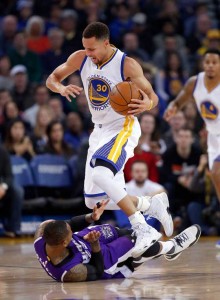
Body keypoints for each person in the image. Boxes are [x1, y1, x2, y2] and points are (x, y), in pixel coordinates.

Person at [46, 21, 173, 257]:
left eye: (92, 49)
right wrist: (60, 88)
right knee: (94, 201)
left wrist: (148, 103)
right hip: (99, 131)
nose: (88, 53)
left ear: (106, 43)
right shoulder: (81, 57)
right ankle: (149, 205)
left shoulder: (127, 64)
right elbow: (52, 78)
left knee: (101, 174)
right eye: (85, 48)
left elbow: (152, 95)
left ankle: (141, 227)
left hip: (122, 126)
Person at [34, 200, 201, 282]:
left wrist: (91, 217)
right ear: (64, 243)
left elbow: (69, 224)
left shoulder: (44, 230)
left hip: (86, 240)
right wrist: (95, 246)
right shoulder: (70, 272)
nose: (71, 228)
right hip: (101, 260)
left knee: (131, 233)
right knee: (138, 244)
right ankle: (172, 246)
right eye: (70, 233)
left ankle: (167, 249)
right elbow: (99, 271)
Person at [164, 49, 220, 203]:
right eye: (207, 62)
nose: (210, 66)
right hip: (214, 135)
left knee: (217, 171)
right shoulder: (194, 82)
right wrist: (172, 108)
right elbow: (180, 100)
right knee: (215, 174)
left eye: (214, 62)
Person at [0, 144, 24, 237]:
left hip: (1, 184)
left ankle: (13, 229)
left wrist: (3, 187)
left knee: (18, 191)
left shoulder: (2, 151)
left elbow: (9, 175)